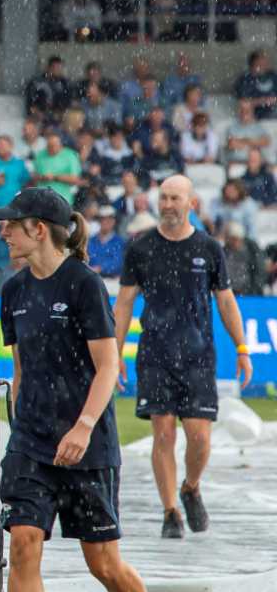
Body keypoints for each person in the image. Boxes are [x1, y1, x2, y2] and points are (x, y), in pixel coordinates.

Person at [0, 186, 181, 592]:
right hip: (31, 441)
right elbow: (22, 368)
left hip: (86, 444)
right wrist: (20, 431)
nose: (2, 231)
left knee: (104, 565)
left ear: (39, 229)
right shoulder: (13, 291)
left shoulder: (84, 284)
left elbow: (108, 366)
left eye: (11, 223)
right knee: (23, 543)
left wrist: (83, 426)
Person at [114, 175, 254, 540]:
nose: (167, 205)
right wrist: (114, 354)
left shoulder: (209, 247)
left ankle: (191, 487)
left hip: (198, 356)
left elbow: (225, 301)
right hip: (155, 355)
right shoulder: (141, 249)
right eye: (163, 198)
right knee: (163, 434)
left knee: (200, 438)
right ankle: (170, 511)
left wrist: (242, 348)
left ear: (191, 203)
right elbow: (124, 302)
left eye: (175, 198)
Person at [0, 136, 33, 211]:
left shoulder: (19, 163)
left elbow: (28, 181)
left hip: (15, 208)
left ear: (10, 146)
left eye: (2, 146)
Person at [33, 132, 83, 202]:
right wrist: (43, 177)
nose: (50, 148)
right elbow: (33, 175)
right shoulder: (40, 155)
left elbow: (75, 179)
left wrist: (55, 177)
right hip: (43, 200)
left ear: (60, 144)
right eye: (48, 146)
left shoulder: (70, 156)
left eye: (53, 146)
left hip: (63, 200)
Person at [222, 222, 267, 296]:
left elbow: (260, 271)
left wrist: (252, 290)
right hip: (232, 291)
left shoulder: (251, 249)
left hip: (250, 292)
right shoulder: (226, 250)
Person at [25, 55, 70, 124]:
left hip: (57, 114)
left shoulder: (63, 83)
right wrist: (43, 115)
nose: (60, 70)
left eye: (61, 68)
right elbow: (31, 105)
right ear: (50, 68)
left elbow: (67, 100)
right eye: (58, 68)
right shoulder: (36, 82)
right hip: (41, 114)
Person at [225, 98, 271, 164]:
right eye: (242, 109)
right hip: (239, 162)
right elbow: (232, 143)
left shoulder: (259, 127)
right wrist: (256, 142)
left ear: (251, 111)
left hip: (257, 163)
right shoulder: (231, 127)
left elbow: (266, 141)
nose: (244, 112)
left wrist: (243, 141)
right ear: (237, 111)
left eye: (247, 109)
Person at [234, 50, 277, 120]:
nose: (266, 60)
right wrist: (264, 101)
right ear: (255, 61)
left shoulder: (273, 75)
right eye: (263, 58)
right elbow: (243, 101)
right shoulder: (246, 79)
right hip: (259, 112)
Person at [86, 206, 126, 277]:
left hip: (113, 279)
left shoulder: (119, 241)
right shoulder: (91, 241)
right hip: (94, 278)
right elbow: (90, 258)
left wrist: (100, 268)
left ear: (114, 221)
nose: (106, 222)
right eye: (103, 219)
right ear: (99, 221)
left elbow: (117, 262)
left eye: (109, 219)